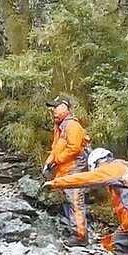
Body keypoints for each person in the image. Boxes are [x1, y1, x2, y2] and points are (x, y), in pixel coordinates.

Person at [43, 94, 90, 246]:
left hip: (74, 170)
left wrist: (57, 160)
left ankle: (81, 236)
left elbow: (74, 148)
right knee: (68, 201)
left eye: (56, 106)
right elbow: (56, 148)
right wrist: (49, 162)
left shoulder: (72, 125)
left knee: (75, 201)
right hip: (64, 171)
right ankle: (74, 231)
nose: (53, 110)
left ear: (65, 107)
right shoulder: (60, 126)